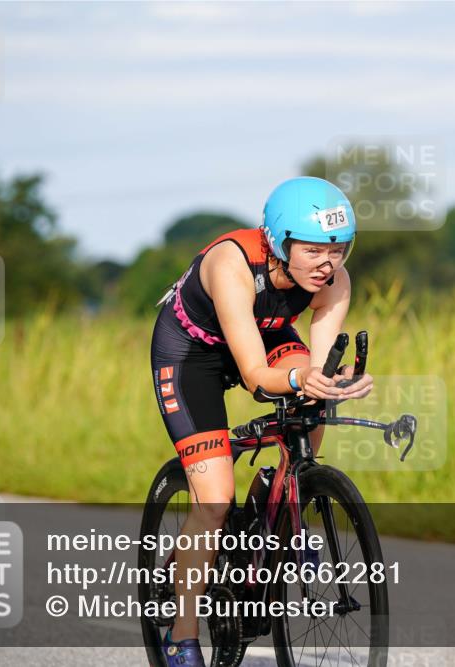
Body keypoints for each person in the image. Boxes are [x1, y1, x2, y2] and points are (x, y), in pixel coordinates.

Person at [149, 176, 374, 667]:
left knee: (314, 405)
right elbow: (255, 375)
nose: (328, 263)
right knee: (213, 501)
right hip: (193, 354)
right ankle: (180, 637)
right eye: (313, 249)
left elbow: (315, 365)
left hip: (267, 335)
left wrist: (333, 380)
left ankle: (285, 505)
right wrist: (301, 378)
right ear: (277, 242)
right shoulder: (232, 264)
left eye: (339, 249)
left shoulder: (334, 280)